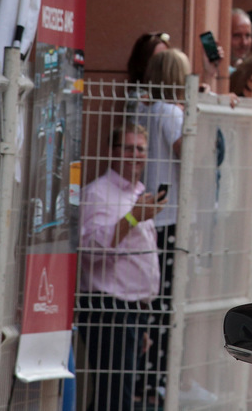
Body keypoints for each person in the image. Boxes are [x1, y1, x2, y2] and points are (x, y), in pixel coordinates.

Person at [78, 122, 165, 411]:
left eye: (141, 149)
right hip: (109, 309)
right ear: (111, 152)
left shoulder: (139, 193)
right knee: (115, 397)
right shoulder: (98, 193)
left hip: (133, 310)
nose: (135, 155)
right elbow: (89, 249)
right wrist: (130, 219)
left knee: (115, 396)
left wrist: (141, 319)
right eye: (128, 148)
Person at [136, 48, 190, 400]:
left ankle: (146, 376)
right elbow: (187, 149)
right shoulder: (170, 112)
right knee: (166, 301)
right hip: (168, 215)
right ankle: (155, 377)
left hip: (149, 211)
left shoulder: (144, 108)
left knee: (150, 300)